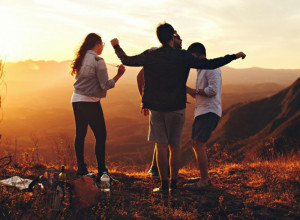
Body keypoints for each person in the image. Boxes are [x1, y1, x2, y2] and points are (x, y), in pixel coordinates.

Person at [111, 22, 246, 193]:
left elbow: (127, 60)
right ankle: (174, 184)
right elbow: (210, 63)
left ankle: (164, 185)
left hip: (157, 108)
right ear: (172, 37)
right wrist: (233, 56)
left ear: (159, 37)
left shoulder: (151, 55)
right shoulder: (183, 56)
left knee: (161, 146)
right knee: (175, 146)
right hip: (177, 107)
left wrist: (116, 46)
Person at [71, 33, 125, 180]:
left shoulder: (81, 58)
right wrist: (119, 75)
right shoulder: (98, 60)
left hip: (76, 99)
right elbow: (105, 85)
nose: (103, 47)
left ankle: (81, 169)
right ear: (97, 43)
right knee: (101, 135)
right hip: (90, 101)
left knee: (80, 134)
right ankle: (102, 172)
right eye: (102, 44)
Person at [137, 31, 183, 178]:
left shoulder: (177, 56)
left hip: (170, 102)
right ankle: (157, 170)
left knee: (164, 140)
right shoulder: (157, 54)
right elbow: (140, 76)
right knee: (162, 140)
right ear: (171, 39)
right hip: (159, 103)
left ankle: (161, 173)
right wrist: (144, 99)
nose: (181, 40)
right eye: (177, 37)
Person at [184, 42, 224, 190]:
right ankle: (203, 176)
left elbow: (212, 90)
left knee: (198, 144)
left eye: (193, 58)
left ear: (202, 55)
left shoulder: (211, 67)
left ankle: (204, 181)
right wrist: (189, 91)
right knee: (196, 144)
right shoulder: (201, 70)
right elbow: (201, 94)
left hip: (209, 112)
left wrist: (191, 89)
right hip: (202, 111)